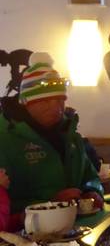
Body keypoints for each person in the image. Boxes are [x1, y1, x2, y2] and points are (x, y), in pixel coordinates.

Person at [0, 53, 104, 229]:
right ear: (27, 102)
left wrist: (92, 192)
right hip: (25, 236)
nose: (56, 107)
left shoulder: (70, 135)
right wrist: (51, 204)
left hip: (74, 229)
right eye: (46, 100)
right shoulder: (4, 138)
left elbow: (91, 176)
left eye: (60, 100)